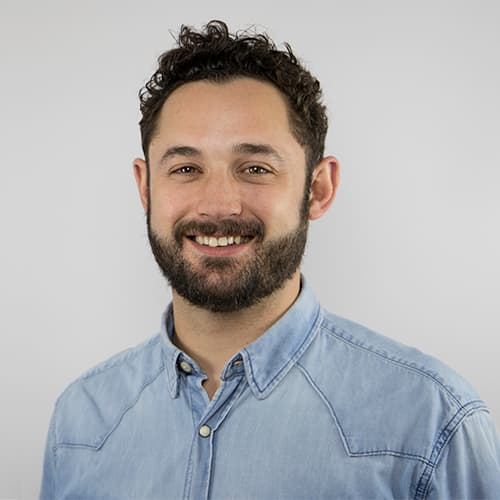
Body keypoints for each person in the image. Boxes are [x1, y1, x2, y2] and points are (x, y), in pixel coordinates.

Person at [40, 20, 500, 500]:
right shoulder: (79, 421)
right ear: (145, 187)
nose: (219, 205)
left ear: (318, 189)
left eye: (255, 168)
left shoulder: (432, 423)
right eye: (186, 168)